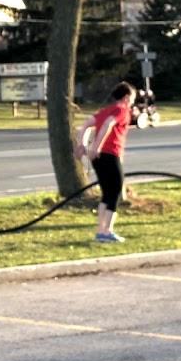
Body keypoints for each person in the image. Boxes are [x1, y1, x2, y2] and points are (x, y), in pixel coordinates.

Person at [74, 81, 136, 243]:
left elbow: (86, 125)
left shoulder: (104, 111)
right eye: (133, 99)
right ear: (127, 98)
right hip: (110, 154)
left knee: (106, 192)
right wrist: (97, 146)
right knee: (115, 190)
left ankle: (101, 231)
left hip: (98, 158)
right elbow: (109, 123)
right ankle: (107, 231)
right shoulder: (122, 110)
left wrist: (82, 145)